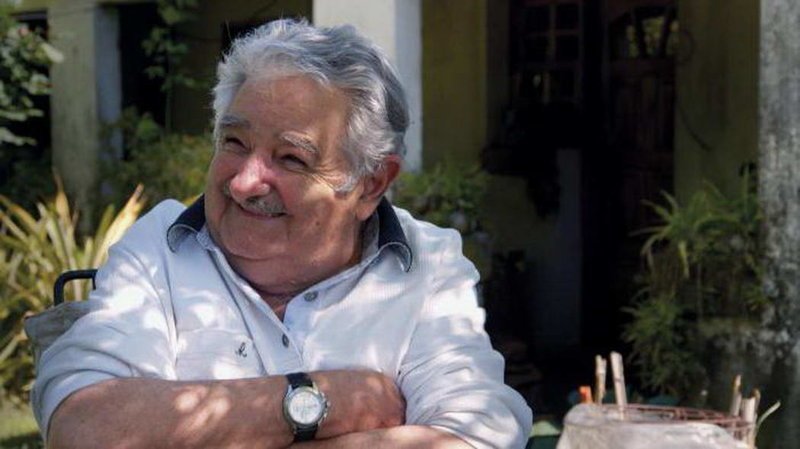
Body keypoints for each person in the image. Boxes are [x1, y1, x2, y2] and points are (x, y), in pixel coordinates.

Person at [31, 18, 532, 449]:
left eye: (291, 158)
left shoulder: (428, 264)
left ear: (370, 184)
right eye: (234, 141)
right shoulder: (160, 247)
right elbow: (82, 426)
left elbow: (476, 435)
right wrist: (326, 401)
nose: (245, 183)